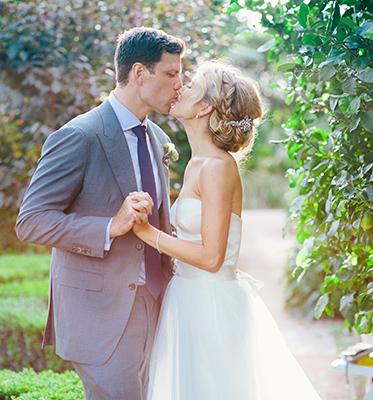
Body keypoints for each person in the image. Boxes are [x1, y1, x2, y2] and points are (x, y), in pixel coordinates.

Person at [131, 61, 322, 400]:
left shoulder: (218, 167)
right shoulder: (196, 163)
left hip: (211, 305)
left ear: (205, 107)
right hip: (187, 298)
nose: (180, 88)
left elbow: (211, 257)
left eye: (190, 86)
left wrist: (148, 234)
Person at [15, 27, 185, 400]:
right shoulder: (79, 136)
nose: (180, 84)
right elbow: (30, 220)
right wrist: (110, 225)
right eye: (172, 73)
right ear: (140, 74)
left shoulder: (156, 137)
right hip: (101, 314)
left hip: (156, 303)